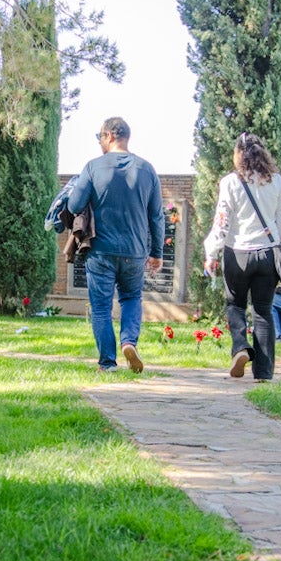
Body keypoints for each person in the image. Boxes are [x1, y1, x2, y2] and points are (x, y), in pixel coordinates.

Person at [67, 117, 164, 373]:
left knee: (101, 306)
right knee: (132, 297)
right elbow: (156, 215)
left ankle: (107, 363)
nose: (99, 142)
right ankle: (129, 342)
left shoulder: (93, 167)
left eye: (100, 137)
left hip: (100, 251)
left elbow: (74, 205)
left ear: (109, 135)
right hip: (135, 251)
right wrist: (157, 253)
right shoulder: (147, 169)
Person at [203, 133, 281, 382]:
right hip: (268, 253)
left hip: (238, 252)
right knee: (263, 311)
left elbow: (222, 222)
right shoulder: (276, 182)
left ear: (238, 155)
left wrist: (211, 252)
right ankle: (263, 372)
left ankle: (241, 348)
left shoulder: (230, 182)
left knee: (236, 305)